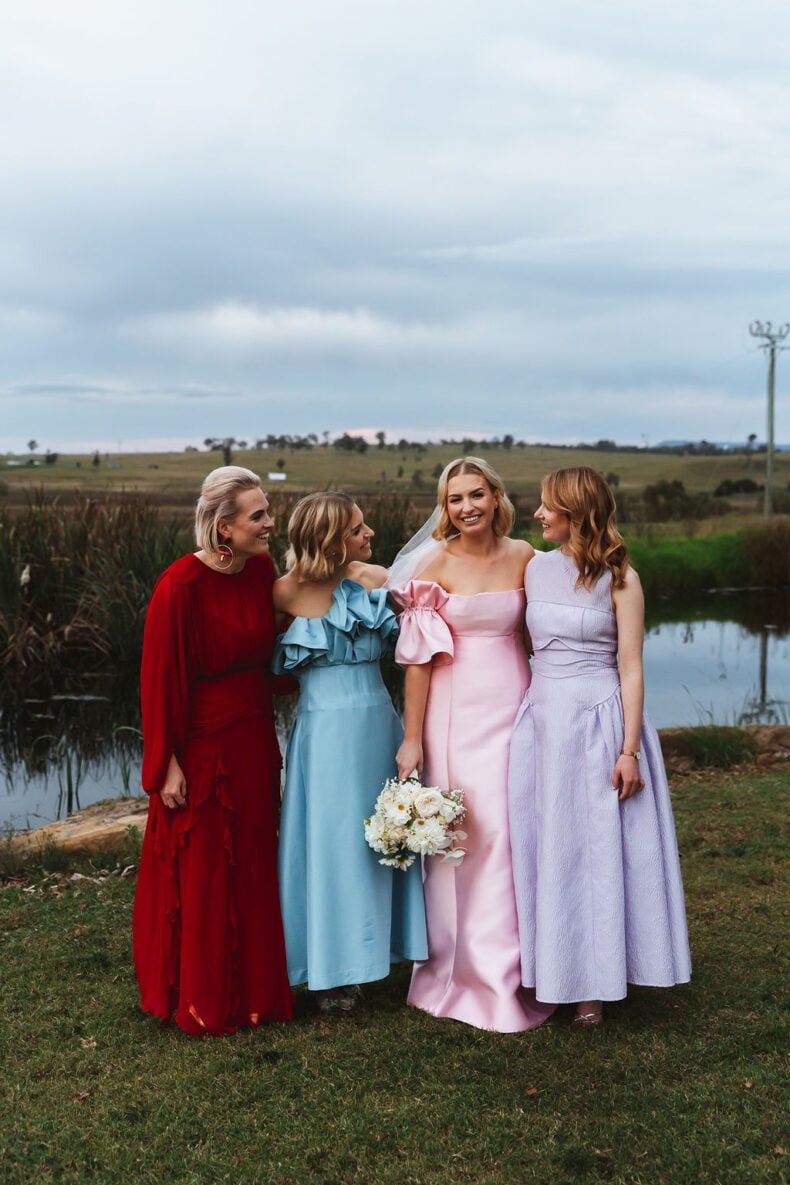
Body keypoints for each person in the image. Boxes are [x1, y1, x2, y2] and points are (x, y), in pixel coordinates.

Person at [508, 467, 691, 1025]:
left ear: (577, 511)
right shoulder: (534, 568)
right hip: (543, 722)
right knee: (549, 847)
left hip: (600, 722)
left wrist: (628, 749)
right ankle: (553, 973)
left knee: (597, 852)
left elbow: (631, 667)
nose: (537, 514)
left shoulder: (621, 578)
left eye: (547, 506)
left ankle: (595, 986)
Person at [389, 457, 555, 1032]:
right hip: (455, 715)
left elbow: (538, 636)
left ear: (496, 496)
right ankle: (464, 974)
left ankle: (524, 968)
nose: (467, 508)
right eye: (455, 498)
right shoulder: (433, 565)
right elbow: (417, 663)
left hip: (518, 705)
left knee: (514, 833)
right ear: (445, 506)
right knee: (468, 837)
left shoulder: (526, 556)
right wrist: (412, 740)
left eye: (476, 495)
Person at [133, 466, 293, 1035]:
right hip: (202, 747)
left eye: (268, 511)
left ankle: (255, 995)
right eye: (258, 515)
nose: (270, 523)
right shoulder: (180, 586)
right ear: (224, 527)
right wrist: (166, 765)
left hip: (253, 738)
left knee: (252, 863)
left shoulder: (262, 572)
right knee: (203, 870)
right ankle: (202, 997)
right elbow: (159, 682)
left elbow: (273, 652)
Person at [272, 493, 427, 1011]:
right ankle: (329, 969)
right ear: (331, 538)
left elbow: (420, 647)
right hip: (322, 737)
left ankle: (380, 954)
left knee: (379, 840)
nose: (369, 535)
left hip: (376, 726)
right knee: (328, 845)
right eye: (358, 529)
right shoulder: (282, 592)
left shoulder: (376, 581)